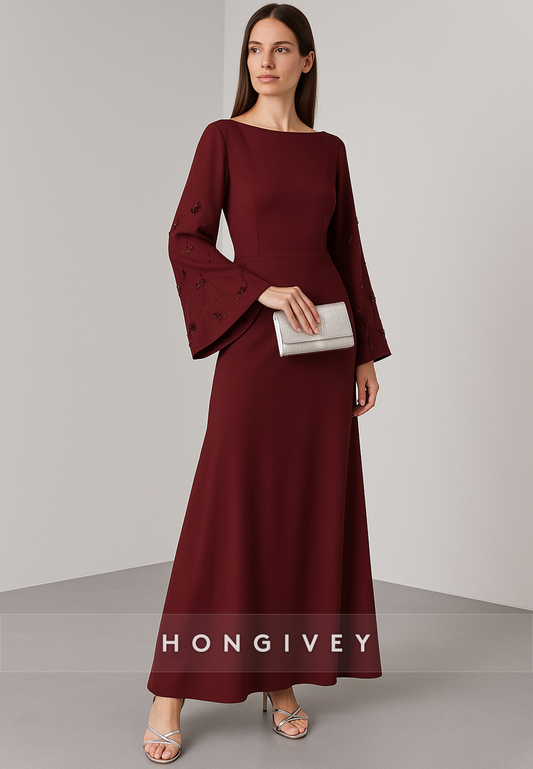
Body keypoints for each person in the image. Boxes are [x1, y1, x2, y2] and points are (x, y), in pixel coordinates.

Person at [143, 3, 392, 762]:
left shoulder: (329, 150)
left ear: (306, 61)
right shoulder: (223, 139)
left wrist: (364, 353)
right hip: (256, 345)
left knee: (301, 513)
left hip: (324, 352)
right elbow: (185, 238)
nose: (265, 61)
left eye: (282, 49)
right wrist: (259, 290)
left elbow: (346, 248)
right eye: (255, 48)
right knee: (228, 508)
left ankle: (279, 678)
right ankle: (169, 691)